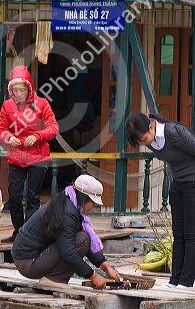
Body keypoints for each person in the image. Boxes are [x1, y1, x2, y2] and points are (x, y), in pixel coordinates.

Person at [12, 175, 120, 288]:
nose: (93, 207)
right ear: (84, 198)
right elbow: (68, 253)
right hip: (28, 262)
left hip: (32, 259)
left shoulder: (69, 201)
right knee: (82, 240)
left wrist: (106, 267)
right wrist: (93, 276)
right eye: (93, 203)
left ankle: (54, 278)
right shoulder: (67, 212)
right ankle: (53, 279)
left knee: (83, 238)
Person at [126, 112, 195, 290]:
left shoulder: (173, 132)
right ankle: (175, 280)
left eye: (143, 139)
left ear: (151, 126)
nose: (144, 143)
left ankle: (187, 282)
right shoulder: (153, 142)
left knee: (191, 234)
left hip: (192, 183)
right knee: (177, 234)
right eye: (141, 142)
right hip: (177, 184)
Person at [0, 65, 59, 243]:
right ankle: (18, 231)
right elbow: (1, 130)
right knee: (14, 198)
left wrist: (38, 136)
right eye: (14, 90)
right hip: (16, 158)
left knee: (33, 198)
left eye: (21, 89)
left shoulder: (41, 104)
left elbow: (53, 128)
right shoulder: (7, 106)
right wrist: (9, 137)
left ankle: (29, 235)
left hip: (38, 157)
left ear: (29, 88)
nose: (18, 93)